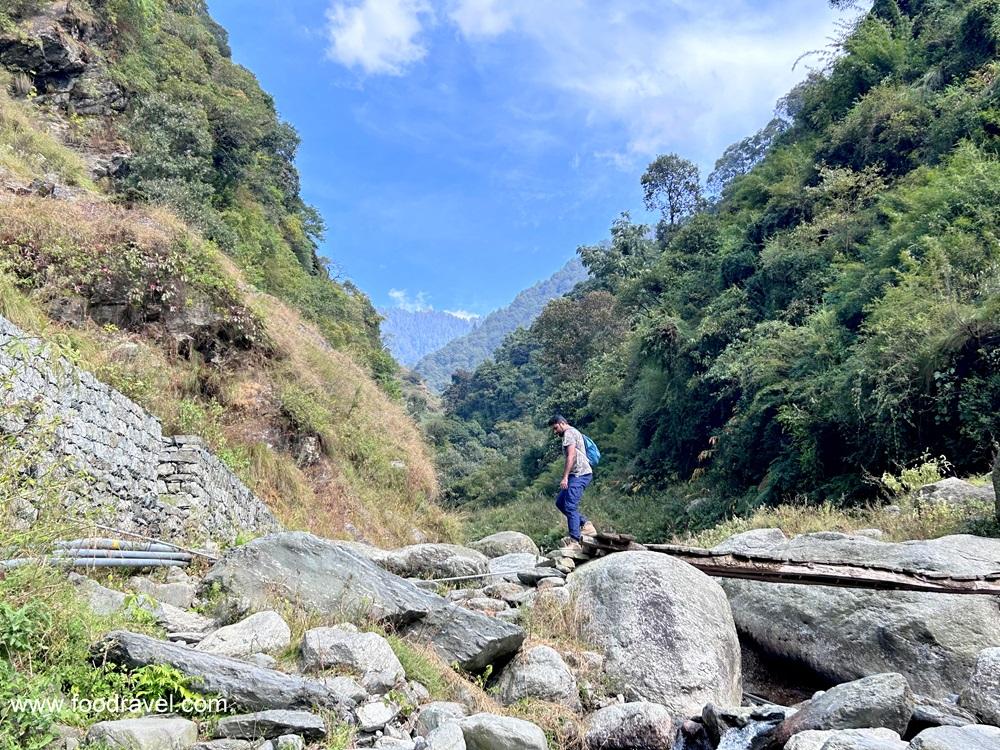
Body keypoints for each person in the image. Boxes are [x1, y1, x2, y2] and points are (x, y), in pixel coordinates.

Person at [548, 415, 597, 548]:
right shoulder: (573, 432)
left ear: (562, 423)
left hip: (579, 474)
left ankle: (574, 541)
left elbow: (571, 456)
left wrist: (565, 477)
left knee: (570, 506)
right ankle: (586, 524)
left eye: (556, 428)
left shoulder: (569, 433)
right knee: (560, 502)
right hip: (576, 474)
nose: (555, 431)